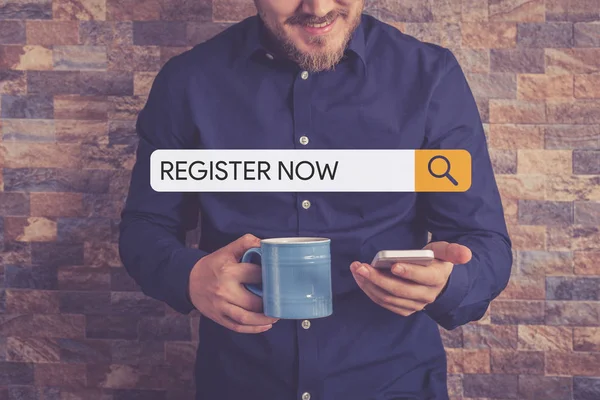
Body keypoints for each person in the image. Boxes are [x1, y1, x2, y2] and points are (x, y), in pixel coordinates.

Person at [119, 0, 513, 399]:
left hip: (394, 383)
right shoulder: (188, 80)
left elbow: (483, 241)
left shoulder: (430, 76)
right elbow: (145, 226)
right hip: (240, 383)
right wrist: (189, 277)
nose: (318, 7)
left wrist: (449, 282)